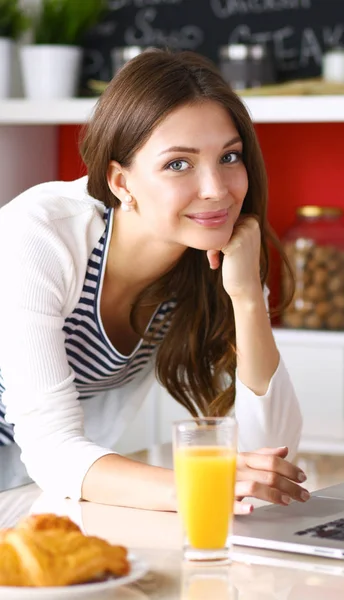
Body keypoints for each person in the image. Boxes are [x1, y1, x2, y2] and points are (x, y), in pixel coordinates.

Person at [0, 48, 307, 513]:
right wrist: (203, 486)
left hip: (28, 489)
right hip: (37, 475)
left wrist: (246, 298)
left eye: (229, 156)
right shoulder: (39, 234)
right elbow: (51, 446)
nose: (217, 189)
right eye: (178, 164)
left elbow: (274, 451)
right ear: (121, 182)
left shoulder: (216, 255)